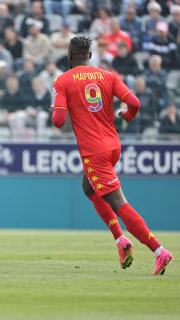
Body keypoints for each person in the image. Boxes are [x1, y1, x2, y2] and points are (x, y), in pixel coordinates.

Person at [51, 36, 173, 275]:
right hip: (113, 146)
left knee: (118, 202)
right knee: (89, 187)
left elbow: (58, 121)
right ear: (90, 55)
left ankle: (159, 251)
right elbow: (134, 102)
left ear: (69, 55)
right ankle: (120, 240)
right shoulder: (108, 76)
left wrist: (58, 108)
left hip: (94, 151)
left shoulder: (63, 80)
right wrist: (126, 116)